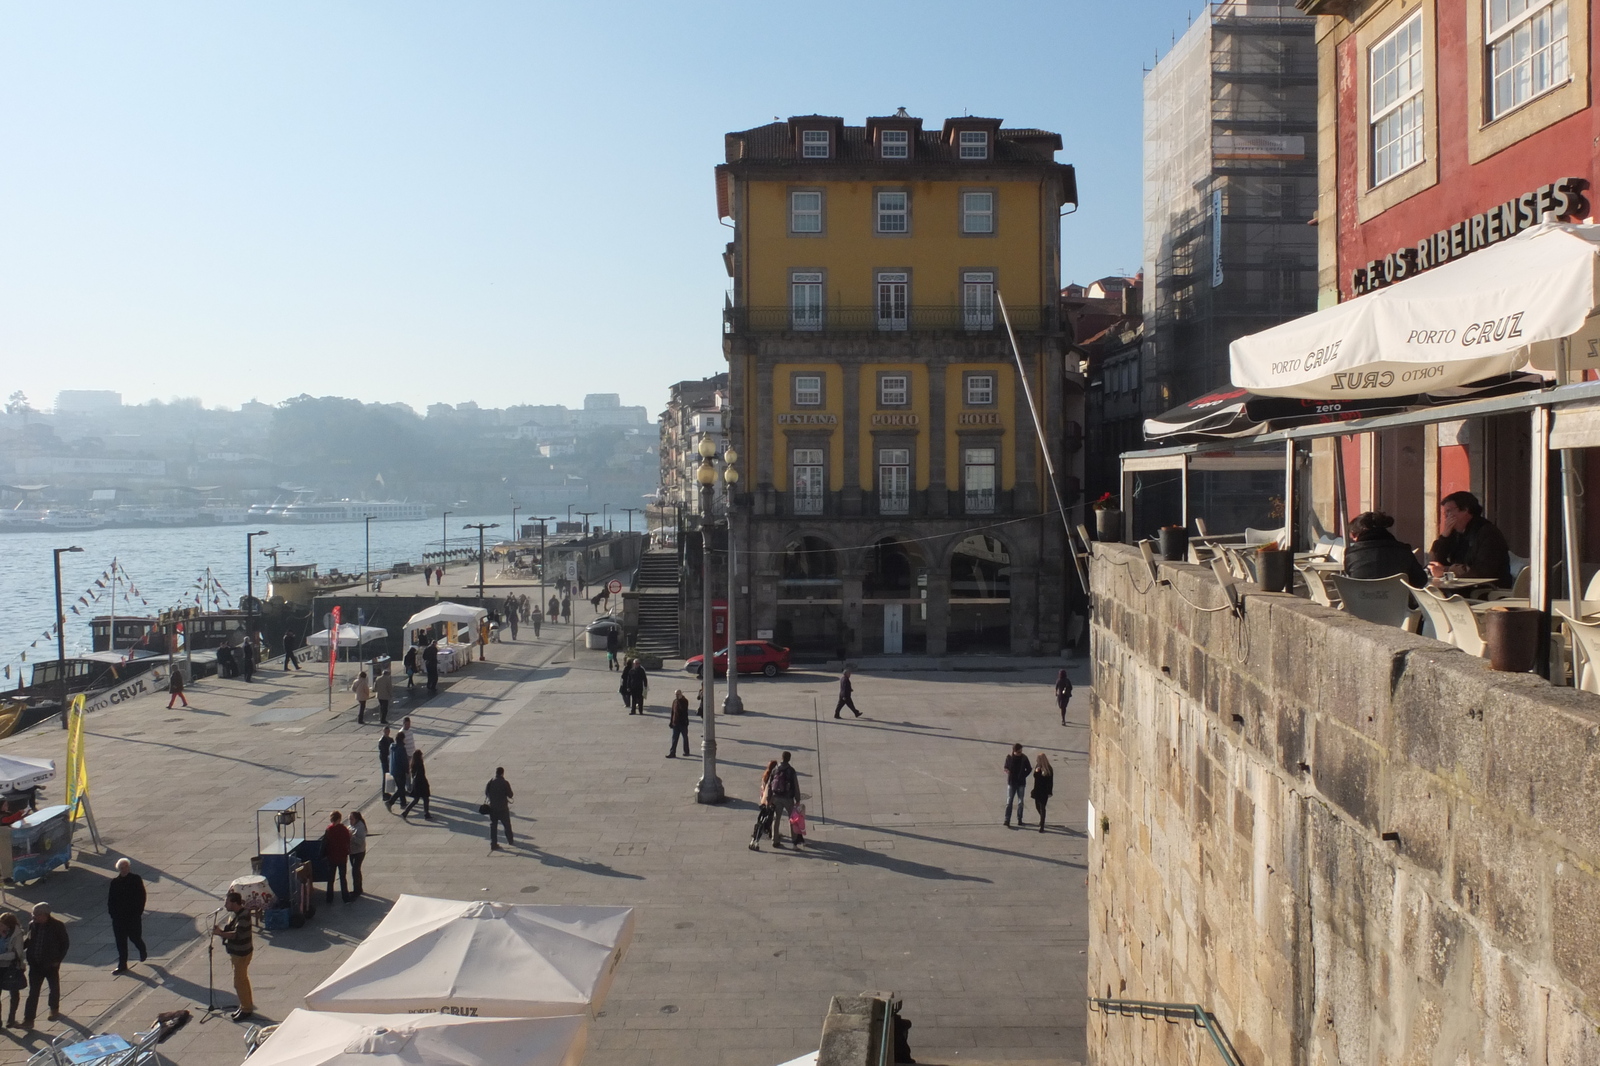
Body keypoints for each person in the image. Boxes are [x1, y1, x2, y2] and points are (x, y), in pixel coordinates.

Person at [1428, 490, 1512, 587]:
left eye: (1449, 511)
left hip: (1486, 590)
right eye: (1445, 513)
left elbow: (1483, 571)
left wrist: (1447, 571)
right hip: (1459, 587)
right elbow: (1434, 560)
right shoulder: (1455, 533)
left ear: (1465, 510)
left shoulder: (1488, 533)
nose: (1446, 517)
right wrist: (1444, 536)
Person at [1345, 510, 1429, 586]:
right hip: (1397, 601)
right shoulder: (1403, 551)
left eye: (1353, 536)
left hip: (1361, 601)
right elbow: (1420, 581)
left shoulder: (1352, 554)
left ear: (1357, 534)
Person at [21, 902, 68, 1028]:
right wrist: (19, 949)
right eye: (33, 914)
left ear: (45, 915)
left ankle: (54, 1009)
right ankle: (28, 1019)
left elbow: (65, 944)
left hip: (50, 964)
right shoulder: (32, 925)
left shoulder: (57, 926)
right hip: (35, 964)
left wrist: (57, 960)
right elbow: (29, 940)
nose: (33, 917)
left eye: (36, 915)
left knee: (53, 987)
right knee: (33, 992)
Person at [212, 891, 254, 1021]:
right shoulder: (235, 915)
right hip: (236, 952)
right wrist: (221, 931)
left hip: (242, 953)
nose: (225, 905)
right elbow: (229, 931)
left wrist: (219, 933)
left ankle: (246, 1009)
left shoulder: (243, 916)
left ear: (235, 903)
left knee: (239, 982)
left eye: (227, 902)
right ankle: (245, 1005)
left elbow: (236, 934)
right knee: (243, 980)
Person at [107, 858, 148, 975]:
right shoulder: (114, 882)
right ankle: (122, 964)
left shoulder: (135, 879)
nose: (123, 869)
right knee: (120, 942)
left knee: (135, 937)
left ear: (129, 867)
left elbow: (142, 896)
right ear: (118, 869)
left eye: (125, 867)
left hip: (132, 917)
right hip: (118, 918)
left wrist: (138, 912)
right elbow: (111, 900)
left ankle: (142, 949)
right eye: (121, 868)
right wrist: (112, 914)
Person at [767, 752, 801, 848]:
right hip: (788, 798)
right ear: (789, 759)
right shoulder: (791, 770)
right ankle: (794, 841)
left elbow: (770, 784)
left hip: (776, 797)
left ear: (781, 758)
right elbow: (795, 785)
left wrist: (769, 799)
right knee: (792, 819)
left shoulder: (775, 769)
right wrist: (797, 799)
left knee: (776, 818)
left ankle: (775, 840)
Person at [322, 811, 352, 903]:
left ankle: (329, 898)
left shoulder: (329, 830)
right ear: (339, 819)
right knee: (343, 878)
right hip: (342, 857)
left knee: (330, 879)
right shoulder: (344, 829)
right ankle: (345, 898)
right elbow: (348, 841)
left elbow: (325, 844)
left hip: (331, 857)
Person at [0, 912, 24, 1028]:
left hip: (11, 967)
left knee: (14, 993)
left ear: (8, 925)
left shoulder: (17, 934)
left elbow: (16, 954)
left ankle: (11, 1019)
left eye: (2, 924)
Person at [749, 760, 779, 851]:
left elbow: (762, 788)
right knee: (766, 821)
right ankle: (757, 840)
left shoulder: (765, 775)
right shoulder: (774, 778)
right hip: (769, 802)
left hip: (762, 801)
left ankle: (755, 838)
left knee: (761, 820)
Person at [485, 766, 515, 849]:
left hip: (493, 808)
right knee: (507, 825)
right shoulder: (505, 782)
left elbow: (486, 793)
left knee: (493, 826)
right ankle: (510, 840)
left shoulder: (490, 781)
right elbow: (510, 795)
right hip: (502, 808)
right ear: (502, 773)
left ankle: (493, 843)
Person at [1003, 743, 1031, 829]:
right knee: (1009, 801)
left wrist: (1023, 775)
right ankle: (1007, 819)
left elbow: (1029, 768)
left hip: (1021, 783)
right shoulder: (1009, 758)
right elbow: (1005, 767)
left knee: (1020, 802)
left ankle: (1019, 819)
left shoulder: (1024, 758)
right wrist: (1007, 771)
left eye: (1021, 751)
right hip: (1011, 782)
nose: (1020, 753)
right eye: (1019, 752)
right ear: (1014, 751)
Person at [402, 750, 432, 820]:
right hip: (422, 784)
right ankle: (426, 814)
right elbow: (421, 775)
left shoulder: (413, 764)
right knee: (426, 799)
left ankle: (405, 812)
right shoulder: (420, 764)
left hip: (416, 784)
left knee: (416, 800)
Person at [1030, 753, 1054, 832]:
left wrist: (1049, 791)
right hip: (1037, 790)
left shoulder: (1049, 769)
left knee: (1042, 807)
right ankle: (1042, 818)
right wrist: (1037, 772)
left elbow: (1050, 782)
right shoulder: (1038, 767)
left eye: (1038, 760)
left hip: (1044, 791)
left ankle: (1042, 825)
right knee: (1037, 806)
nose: (1037, 761)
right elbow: (1035, 777)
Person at [386, 731, 410, 811]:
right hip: (400, 771)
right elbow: (404, 761)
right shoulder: (401, 748)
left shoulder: (392, 746)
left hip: (393, 770)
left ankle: (403, 803)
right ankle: (390, 802)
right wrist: (407, 770)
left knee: (401, 787)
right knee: (401, 788)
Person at [348, 811, 368, 897]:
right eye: (349, 819)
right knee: (356, 870)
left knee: (355, 870)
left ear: (356, 819)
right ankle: (359, 888)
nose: (350, 821)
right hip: (352, 851)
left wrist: (351, 837)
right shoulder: (351, 826)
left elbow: (360, 842)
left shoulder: (360, 827)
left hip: (359, 852)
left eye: (351, 819)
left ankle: (357, 890)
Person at [667, 690, 691, 757]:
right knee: (674, 738)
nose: (676, 696)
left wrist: (679, 700)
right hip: (676, 723)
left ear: (681, 694)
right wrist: (671, 721)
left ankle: (686, 751)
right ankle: (672, 752)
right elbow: (673, 712)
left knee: (685, 737)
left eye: (678, 694)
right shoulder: (674, 701)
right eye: (676, 694)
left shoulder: (684, 701)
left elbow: (683, 709)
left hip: (683, 723)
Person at [378, 727, 395, 802]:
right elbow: (383, 751)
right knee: (385, 776)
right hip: (385, 760)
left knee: (388, 776)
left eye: (388, 731)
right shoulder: (381, 741)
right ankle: (384, 794)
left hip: (390, 760)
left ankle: (387, 792)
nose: (387, 733)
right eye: (385, 731)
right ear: (383, 732)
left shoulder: (391, 739)